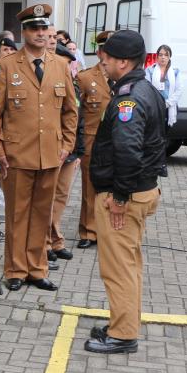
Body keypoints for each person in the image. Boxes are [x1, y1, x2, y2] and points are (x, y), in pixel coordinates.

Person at [0, 4, 78, 292]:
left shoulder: (60, 65)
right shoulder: (8, 65)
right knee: (17, 214)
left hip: (51, 155)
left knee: (41, 214)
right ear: (24, 32)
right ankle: (15, 270)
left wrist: (66, 145)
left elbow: (70, 112)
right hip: (16, 155)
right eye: (34, 28)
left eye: (43, 28)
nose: (39, 33)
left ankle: (37, 270)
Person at [84, 30, 166, 354]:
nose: (101, 61)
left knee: (118, 269)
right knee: (129, 265)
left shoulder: (128, 98)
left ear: (122, 61)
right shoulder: (147, 89)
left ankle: (123, 335)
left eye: (106, 56)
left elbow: (129, 152)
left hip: (125, 198)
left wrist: (118, 198)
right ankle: (124, 323)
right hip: (142, 193)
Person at [45, 44, 85, 264]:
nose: (70, 67)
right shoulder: (48, 84)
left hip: (70, 152)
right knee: (47, 199)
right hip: (53, 149)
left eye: (70, 63)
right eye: (66, 63)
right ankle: (48, 243)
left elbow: (79, 118)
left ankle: (55, 239)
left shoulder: (74, 85)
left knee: (61, 198)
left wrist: (78, 151)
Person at [76, 31, 113, 249]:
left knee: (113, 187)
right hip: (92, 139)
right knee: (89, 187)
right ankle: (89, 231)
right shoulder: (85, 77)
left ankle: (108, 232)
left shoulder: (123, 77)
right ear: (99, 51)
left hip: (116, 141)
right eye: (106, 49)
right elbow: (75, 112)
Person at [145, 44, 183, 127]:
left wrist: (167, 103)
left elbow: (179, 90)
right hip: (154, 106)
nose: (163, 57)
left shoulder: (175, 71)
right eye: (161, 55)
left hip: (169, 107)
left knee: (165, 132)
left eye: (166, 55)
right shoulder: (149, 70)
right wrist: (157, 103)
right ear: (157, 56)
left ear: (169, 57)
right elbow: (147, 88)